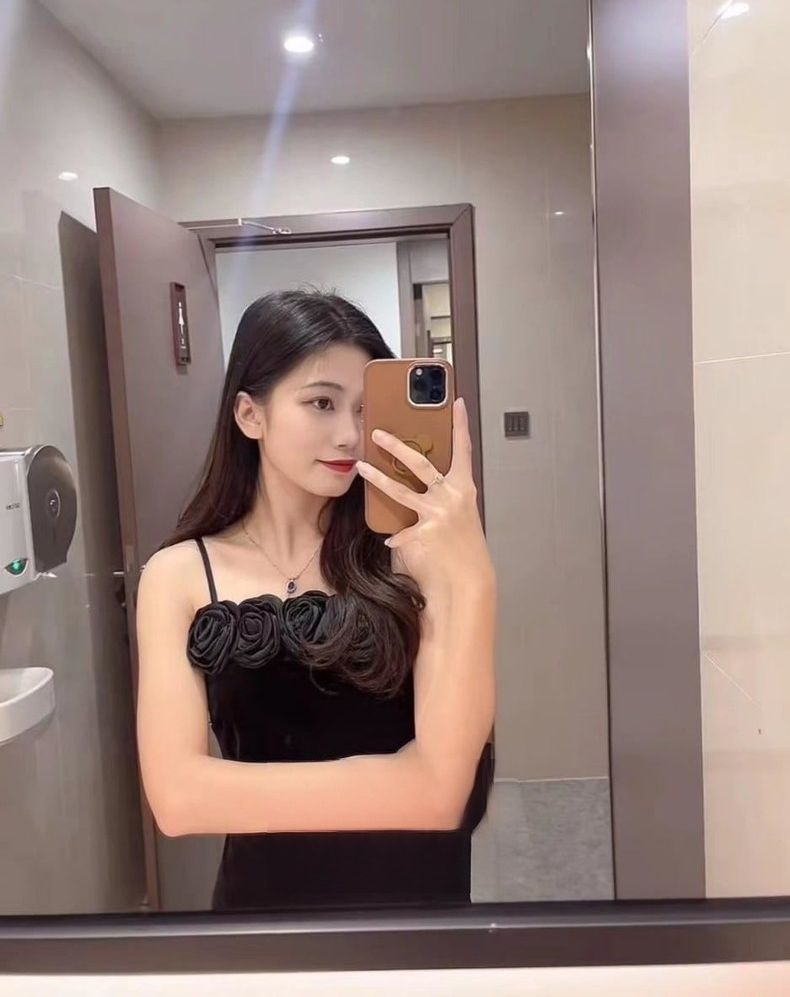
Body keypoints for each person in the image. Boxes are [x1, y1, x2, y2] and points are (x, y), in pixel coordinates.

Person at [135, 290, 497, 911]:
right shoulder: (178, 575)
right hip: (262, 919)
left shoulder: (417, 558)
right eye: (321, 403)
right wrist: (401, 782)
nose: (350, 435)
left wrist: (473, 577)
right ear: (250, 414)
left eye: (364, 409)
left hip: (414, 918)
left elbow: (446, 797)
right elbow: (176, 801)